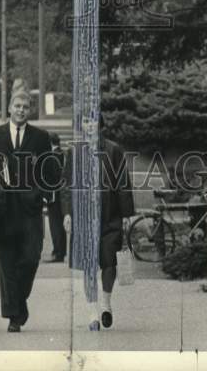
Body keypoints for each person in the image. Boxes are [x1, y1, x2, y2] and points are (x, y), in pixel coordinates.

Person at [0, 90, 59, 332]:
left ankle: (18, 301)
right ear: (9, 107)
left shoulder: (40, 137)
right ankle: (14, 316)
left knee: (30, 258)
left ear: (29, 111)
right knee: (7, 263)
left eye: (26, 107)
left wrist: (39, 192)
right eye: (17, 106)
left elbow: (50, 172)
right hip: (1, 210)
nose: (21, 110)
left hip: (30, 211)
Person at [61, 119, 135, 331]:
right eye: (85, 120)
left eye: (93, 120)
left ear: (100, 123)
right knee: (89, 265)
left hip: (110, 215)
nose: (89, 124)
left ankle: (105, 303)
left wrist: (126, 213)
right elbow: (66, 185)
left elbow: (123, 182)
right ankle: (93, 312)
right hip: (84, 218)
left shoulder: (113, 150)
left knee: (109, 262)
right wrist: (67, 213)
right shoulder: (75, 153)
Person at [43, 132, 67, 263]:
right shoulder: (62, 154)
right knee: (59, 225)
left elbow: (52, 178)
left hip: (54, 195)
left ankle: (58, 253)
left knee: (55, 225)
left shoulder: (52, 156)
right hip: (62, 195)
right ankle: (60, 251)